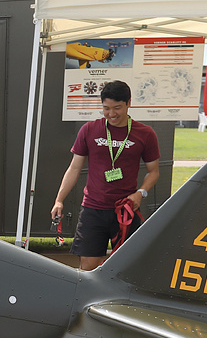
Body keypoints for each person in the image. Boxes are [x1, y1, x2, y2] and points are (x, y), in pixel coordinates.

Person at [50, 80, 160, 270]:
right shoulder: (89, 130)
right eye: (106, 108)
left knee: (127, 266)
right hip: (93, 209)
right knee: (88, 266)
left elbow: (154, 172)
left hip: (125, 209)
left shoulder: (145, 133)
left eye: (117, 108)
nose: (111, 114)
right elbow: (74, 168)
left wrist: (140, 193)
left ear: (128, 103)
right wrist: (59, 200)